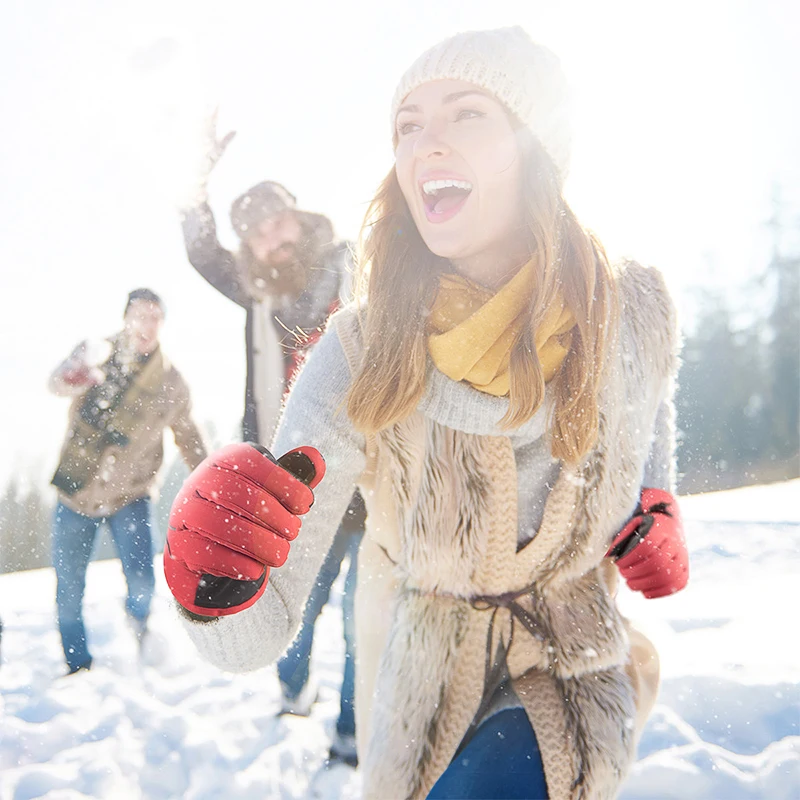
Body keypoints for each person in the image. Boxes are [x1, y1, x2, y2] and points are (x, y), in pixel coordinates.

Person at [164, 26, 689, 800]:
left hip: (573, 656)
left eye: (466, 114)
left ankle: (347, 722)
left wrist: (658, 497)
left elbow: (650, 396)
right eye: (407, 127)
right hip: (337, 493)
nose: (425, 144)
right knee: (346, 613)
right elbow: (249, 636)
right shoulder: (319, 319)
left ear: (535, 139)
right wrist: (218, 581)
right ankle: (330, 709)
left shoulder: (631, 306)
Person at [179, 132, 364, 765]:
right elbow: (202, 251)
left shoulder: (354, 264)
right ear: (248, 244)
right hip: (294, 483)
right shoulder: (257, 290)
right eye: (255, 230)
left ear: (297, 213)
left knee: (364, 618)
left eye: (277, 217)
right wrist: (194, 182)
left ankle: (351, 731)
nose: (272, 234)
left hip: (376, 471)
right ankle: (294, 688)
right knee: (298, 605)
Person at [49, 289, 207, 675]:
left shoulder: (170, 381)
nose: (146, 325)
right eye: (140, 315)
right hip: (76, 492)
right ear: (125, 319)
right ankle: (78, 667)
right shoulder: (96, 354)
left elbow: (188, 436)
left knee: (142, 581)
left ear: (162, 324)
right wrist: (75, 375)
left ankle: (138, 624)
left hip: (130, 495)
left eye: (155, 317)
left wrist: (211, 478)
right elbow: (56, 384)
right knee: (69, 591)